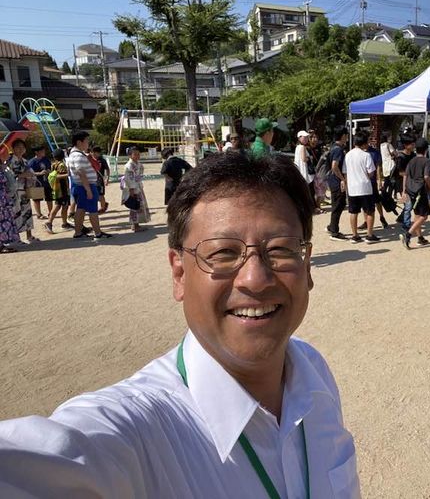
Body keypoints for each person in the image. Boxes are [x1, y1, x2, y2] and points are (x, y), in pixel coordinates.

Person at [0, 150, 360, 497]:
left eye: (280, 249)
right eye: (223, 253)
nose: (256, 278)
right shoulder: (138, 435)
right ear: (179, 273)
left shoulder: (313, 374)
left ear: (307, 264)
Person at [67, 131, 111, 241]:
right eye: (86, 141)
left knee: (80, 209)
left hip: (79, 186)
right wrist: (88, 190)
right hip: (85, 186)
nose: (88, 143)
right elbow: (81, 173)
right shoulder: (78, 156)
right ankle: (98, 233)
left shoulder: (73, 154)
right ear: (79, 142)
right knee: (92, 210)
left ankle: (78, 233)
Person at [343, 134, 379, 243]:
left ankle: (355, 235)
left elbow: (345, 172)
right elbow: (371, 172)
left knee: (353, 212)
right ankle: (369, 234)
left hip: (353, 187)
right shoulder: (366, 155)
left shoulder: (348, 155)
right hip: (365, 187)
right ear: (364, 143)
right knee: (369, 211)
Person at [400, 139, 430, 249]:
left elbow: (405, 175)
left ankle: (420, 237)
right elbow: (426, 177)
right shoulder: (426, 161)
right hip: (420, 190)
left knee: (417, 214)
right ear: (426, 149)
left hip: (410, 189)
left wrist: (404, 190)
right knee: (424, 216)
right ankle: (408, 234)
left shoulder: (411, 160)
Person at [8, 139, 37, 243]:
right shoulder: (9, 160)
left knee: (27, 212)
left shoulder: (24, 161)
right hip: (14, 191)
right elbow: (8, 176)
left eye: (22, 147)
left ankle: (29, 235)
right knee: (16, 213)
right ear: (13, 148)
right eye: (18, 147)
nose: (20, 149)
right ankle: (17, 237)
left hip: (25, 190)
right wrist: (22, 175)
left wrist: (32, 177)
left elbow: (31, 173)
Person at [326, 127, 349, 241]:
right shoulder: (338, 150)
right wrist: (342, 179)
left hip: (332, 180)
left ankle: (331, 226)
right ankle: (334, 231)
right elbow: (334, 166)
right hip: (336, 181)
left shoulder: (333, 147)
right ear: (343, 136)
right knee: (338, 204)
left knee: (337, 203)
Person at [121, 147, 151, 232]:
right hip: (133, 188)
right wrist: (131, 190)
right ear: (130, 155)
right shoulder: (129, 165)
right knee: (134, 206)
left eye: (138, 154)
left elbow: (140, 173)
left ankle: (136, 224)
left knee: (138, 205)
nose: (137, 156)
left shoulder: (138, 164)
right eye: (135, 154)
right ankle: (135, 225)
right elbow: (128, 179)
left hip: (138, 186)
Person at [365, 135, 390, 230]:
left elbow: (378, 167)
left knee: (377, 200)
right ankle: (366, 221)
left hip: (372, 181)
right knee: (365, 202)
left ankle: (381, 216)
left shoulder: (375, 152)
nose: (370, 141)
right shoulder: (361, 152)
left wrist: (379, 181)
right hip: (364, 182)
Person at [45, 148, 71, 234]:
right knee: (59, 206)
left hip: (57, 189)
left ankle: (64, 223)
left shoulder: (53, 164)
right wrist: (68, 174)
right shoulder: (61, 165)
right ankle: (49, 222)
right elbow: (59, 176)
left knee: (63, 206)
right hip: (62, 189)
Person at [0, 144, 20, 253]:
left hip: (4, 197)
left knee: (5, 220)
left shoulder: (2, 166)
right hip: (1, 198)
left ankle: (2, 244)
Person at [395, 135, 416, 232]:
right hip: (401, 182)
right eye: (411, 144)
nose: (413, 145)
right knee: (408, 204)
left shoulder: (413, 155)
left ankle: (402, 217)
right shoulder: (401, 157)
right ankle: (406, 224)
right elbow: (400, 172)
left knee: (410, 203)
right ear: (405, 145)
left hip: (412, 182)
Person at [27, 145, 53, 219]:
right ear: (36, 152)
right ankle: (39, 214)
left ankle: (51, 212)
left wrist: (48, 171)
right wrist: (40, 173)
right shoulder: (32, 162)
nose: (43, 152)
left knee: (49, 198)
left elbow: (50, 168)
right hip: (36, 182)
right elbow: (30, 173)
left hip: (46, 182)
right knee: (37, 199)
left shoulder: (46, 159)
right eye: (42, 151)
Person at [293, 131, 316, 212]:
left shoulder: (297, 147)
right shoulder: (302, 147)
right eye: (304, 137)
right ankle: (311, 208)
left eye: (307, 137)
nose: (306, 139)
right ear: (299, 138)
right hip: (305, 172)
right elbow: (304, 159)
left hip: (300, 172)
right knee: (310, 191)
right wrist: (310, 158)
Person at [89, 146, 111, 214]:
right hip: (92, 180)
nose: (98, 154)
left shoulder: (102, 160)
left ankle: (102, 208)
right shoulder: (90, 160)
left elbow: (107, 169)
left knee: (101, 194)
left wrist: (107, 178)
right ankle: (104, 204)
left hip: (100, 180)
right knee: (93, 194)